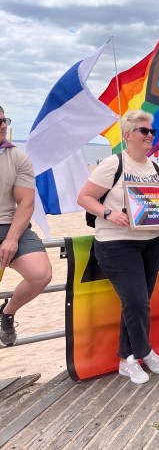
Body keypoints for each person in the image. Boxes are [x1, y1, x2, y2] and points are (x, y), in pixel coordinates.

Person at [77, 109, 159, 384]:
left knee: (136, 304)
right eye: (144, 131)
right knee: (137, 302)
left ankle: (126, 359)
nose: (150, 136)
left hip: (150, 242)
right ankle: (145, 351)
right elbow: (84, 197)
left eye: (152, 131)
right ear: (127, 135)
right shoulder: (113, 164)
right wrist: (108, 213)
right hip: (116, 244)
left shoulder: (155, 168)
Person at [0, 107, 52, 347]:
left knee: (41, 274)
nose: (2, 125)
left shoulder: (17, 157)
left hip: (10, 224)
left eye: (4, 120)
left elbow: (26, 202)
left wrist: (11, 239)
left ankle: (7, 312)